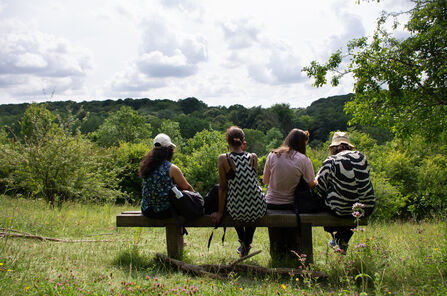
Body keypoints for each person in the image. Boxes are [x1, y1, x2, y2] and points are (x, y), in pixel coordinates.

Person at [210, 126, 267, 257]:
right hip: (259, 205)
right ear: (243, 142)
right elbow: (250, 183)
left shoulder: (223, 159)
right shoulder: (253, 157)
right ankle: (246, 243)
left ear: (228, 143)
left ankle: (244, 242)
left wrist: (219, 212)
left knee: (236, 207)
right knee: (251, 209)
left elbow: (223, 187)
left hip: (236, 209)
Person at [314, 131, 375, 253]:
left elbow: (319, 188)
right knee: (351, 200)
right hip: (367, 207)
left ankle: (338, 240)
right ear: (349, 146)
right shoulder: (361, 157)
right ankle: (342, 241)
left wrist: (316, 178)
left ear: (332, 148)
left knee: (324, 200)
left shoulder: (331, 160)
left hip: (342, 209)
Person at [263, 128, 317, 262]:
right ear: (301, 143)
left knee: (276, 237)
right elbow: (311, 184)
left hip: (271, 204)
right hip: (293, 206)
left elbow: (265, 180)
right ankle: (293, 257)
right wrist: (318, 178)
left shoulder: (272, 155)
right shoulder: (304, 159)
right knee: (292, 237)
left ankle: (276, 257)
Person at [139, 133, 194, 218]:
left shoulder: (146, 166)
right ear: (169, 150)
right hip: (165, 211)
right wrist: (196, 198)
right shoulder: (172, 168)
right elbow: (186, 187)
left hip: (147, 210)